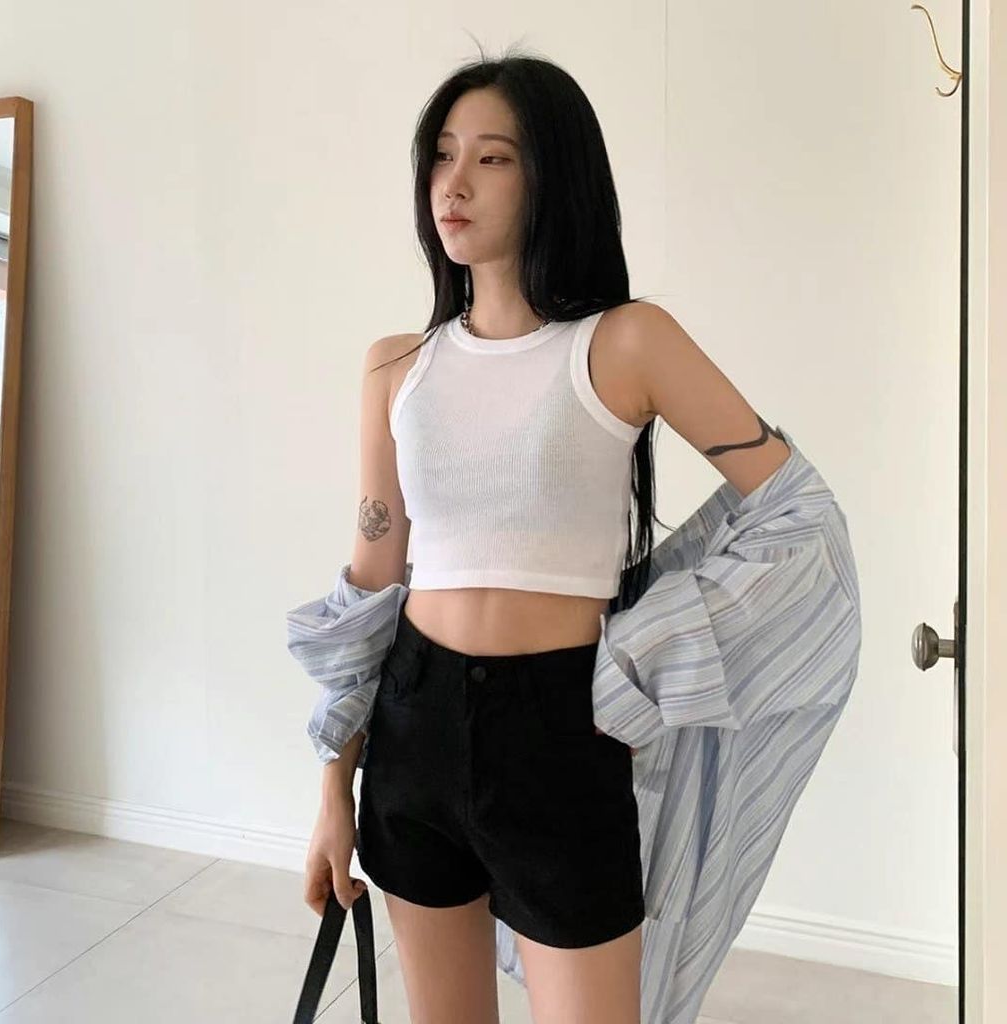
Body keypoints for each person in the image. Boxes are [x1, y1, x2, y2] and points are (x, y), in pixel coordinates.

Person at [298, 48, 830, 1024]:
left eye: (492, 157)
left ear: (552, 175)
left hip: (560, 729)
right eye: (442, 154)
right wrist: (335, 785)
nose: (454, 183)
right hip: (414, 730)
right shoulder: (395, 368)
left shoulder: (626, 343)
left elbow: (796, 511)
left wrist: (650, 647)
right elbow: (370, 592)